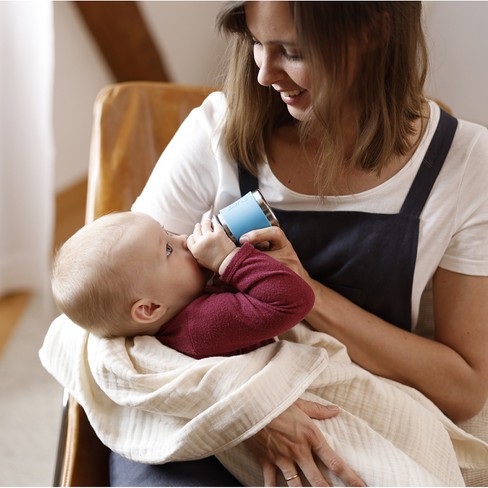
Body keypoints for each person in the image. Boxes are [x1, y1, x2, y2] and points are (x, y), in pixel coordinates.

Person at [40, 1, 488, 486]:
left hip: (349, 419)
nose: (263, 75)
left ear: (375, 32)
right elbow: (101, 321)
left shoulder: (464, 165)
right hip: (199, 421)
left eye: (292, 51)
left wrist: (305, 291)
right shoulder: (216, 133)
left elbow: (463, 389)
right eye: (256, 43)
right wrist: (246, 411)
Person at [51, 211, 315, 358]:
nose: (183, 239)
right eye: (167, 249)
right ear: (150, 308)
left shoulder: (181, 304)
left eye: (168, 231)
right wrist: (228, 259)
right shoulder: (200, 326)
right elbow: (295, 300)